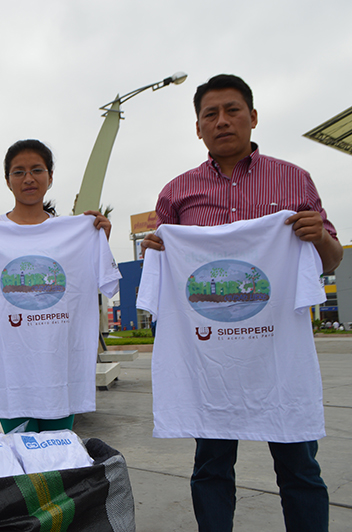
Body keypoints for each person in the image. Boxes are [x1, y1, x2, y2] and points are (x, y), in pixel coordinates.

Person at [141, 74, 342, 532]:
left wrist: (319, 239)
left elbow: (329, 262)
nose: (222, 121)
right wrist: (157, 251)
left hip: (279, 357)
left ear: (253, 117)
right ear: (197, 127)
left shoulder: (294, 179)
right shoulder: (177, 192)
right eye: (210, 114)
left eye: (232, 110)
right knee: (211, 467)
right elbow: (163, 263)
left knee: (299, 468)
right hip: (210, 361)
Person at [0, 139, 114, 433]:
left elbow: (90, 285)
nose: (28, 178)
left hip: (60, 373)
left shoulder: (76, 232)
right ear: (7, 181)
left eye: (37, 170)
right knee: (21, 458)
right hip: (12, 379)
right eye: (18, 172)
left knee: (57, 456)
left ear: (51, 176)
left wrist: (99, 241)